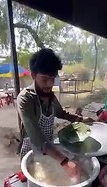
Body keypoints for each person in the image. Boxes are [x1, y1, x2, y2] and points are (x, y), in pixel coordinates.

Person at [17, 48, 94, 178]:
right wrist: (64, 161)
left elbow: (61, 113)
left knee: (53, 176)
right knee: (37, 179)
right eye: (44, 79)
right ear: (33, 76)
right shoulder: (25, 99)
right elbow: (37, 138)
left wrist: (81, 119)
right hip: (32, 150)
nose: (49, 84)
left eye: (52, 79)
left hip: (50, 149)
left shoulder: (50, 96)